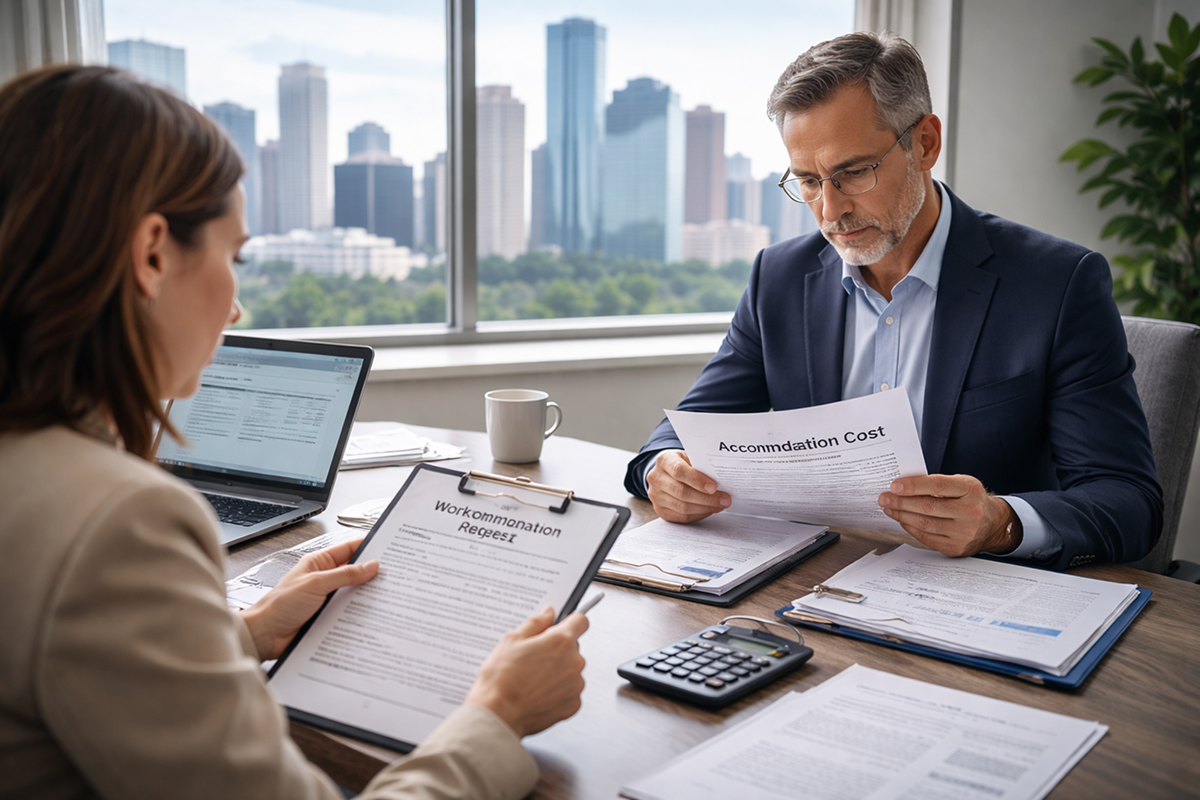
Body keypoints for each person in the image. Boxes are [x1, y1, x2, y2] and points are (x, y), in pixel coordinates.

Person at [0, 65, 588, 799]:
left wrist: (245, 633)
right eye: (233, 257)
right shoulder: (119, 520)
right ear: (152, 254)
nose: (236, 307)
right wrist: (497, 716)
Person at [624, 32, 1162, 572]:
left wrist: (1001, 521)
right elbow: (679, 434)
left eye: (854, 172)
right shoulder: (779, 278)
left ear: (925, 143)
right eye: (808, 181)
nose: (830, 209)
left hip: (982, 597)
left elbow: (1128, 500)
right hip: (816, 586)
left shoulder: (1058, 284)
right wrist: (662, 472)